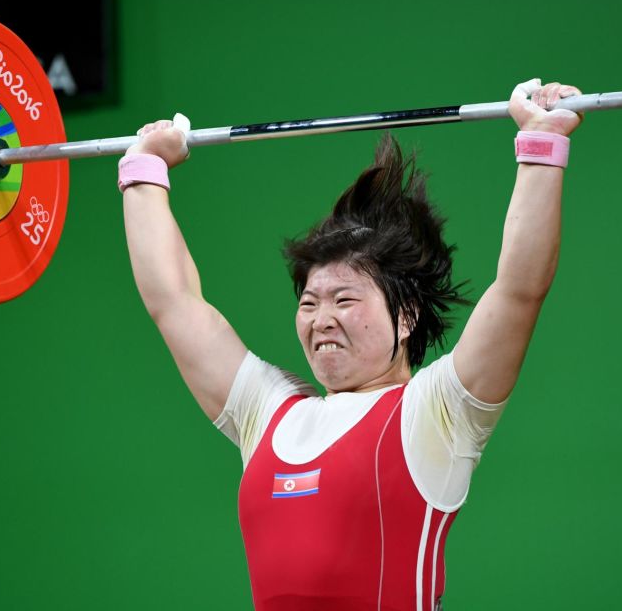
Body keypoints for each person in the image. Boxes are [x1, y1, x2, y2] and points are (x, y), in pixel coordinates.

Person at [119, 78, 582, 611]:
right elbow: (174, 303)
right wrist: (144, 171)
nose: (322, 320)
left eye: (344, 300)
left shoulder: (434, 413)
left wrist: (542, 145)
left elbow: (519, 291)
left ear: (405, 315)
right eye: (310, 303)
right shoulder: (268, 413)